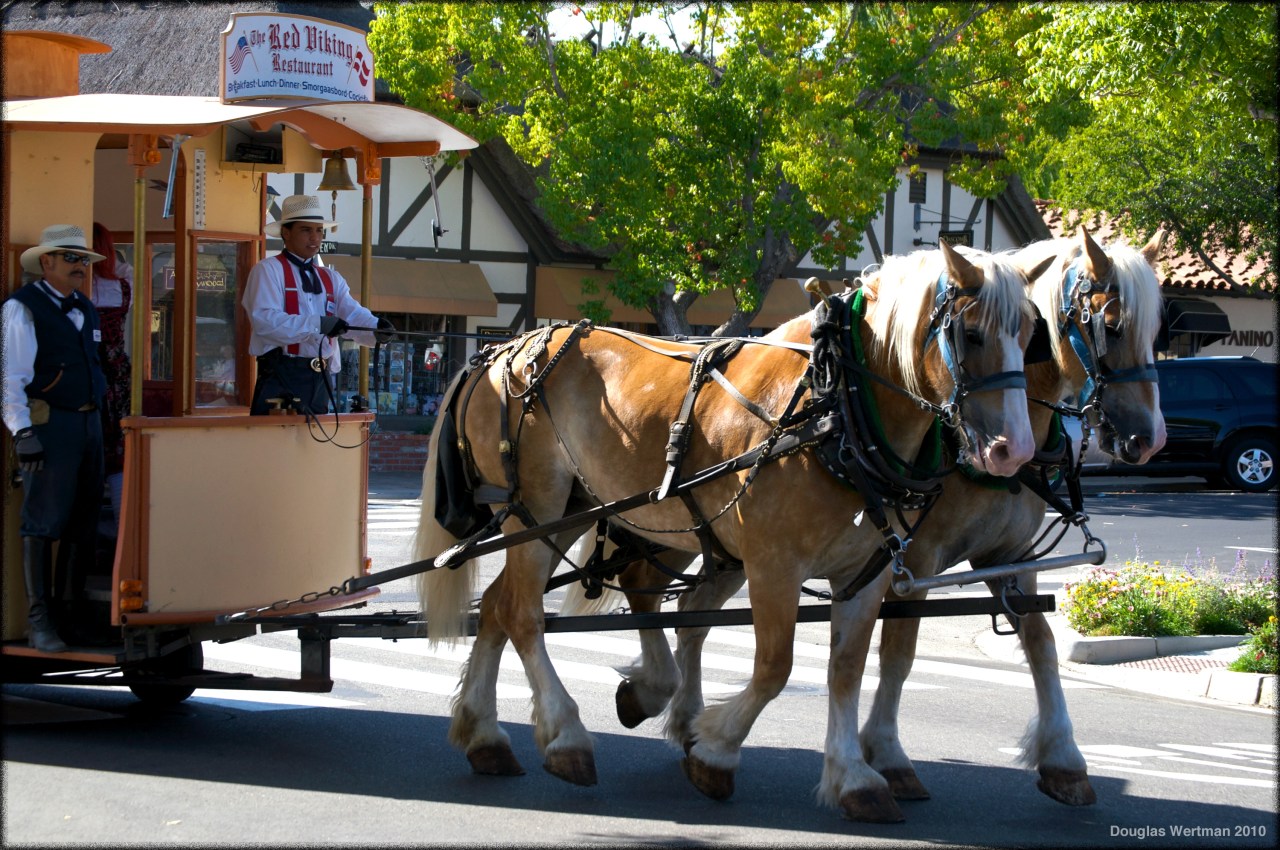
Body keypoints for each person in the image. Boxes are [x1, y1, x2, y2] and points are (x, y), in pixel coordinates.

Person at [3, 224, 108, 652]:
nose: (80, 266)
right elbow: (10, 376)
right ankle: (39, 621)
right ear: (46, 262)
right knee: (43, 521)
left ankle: (70, 617)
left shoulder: (85, 306)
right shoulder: (22, 308)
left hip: (88, 423)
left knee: (82, 523)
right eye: (70, 258)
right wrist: (23, 431)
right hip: (51, 424)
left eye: (83, 259)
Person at [243, 194, 395, 415]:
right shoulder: (268, 270)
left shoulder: (330, 278)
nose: (315, 237)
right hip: (281, 374)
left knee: (317, 446)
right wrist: (318, 323)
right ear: (286, 233)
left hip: (321, 378)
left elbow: (352, 313)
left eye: (318, 230)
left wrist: (376, 327)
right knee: (276, 445)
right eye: (306, 230)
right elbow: (265, 321)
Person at [89, 223, 132, 529]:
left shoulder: (81, 286)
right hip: (116, 370)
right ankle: (120, 534)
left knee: (88, 453)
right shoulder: (122, 281)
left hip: (86, 371)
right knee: (117, 453)